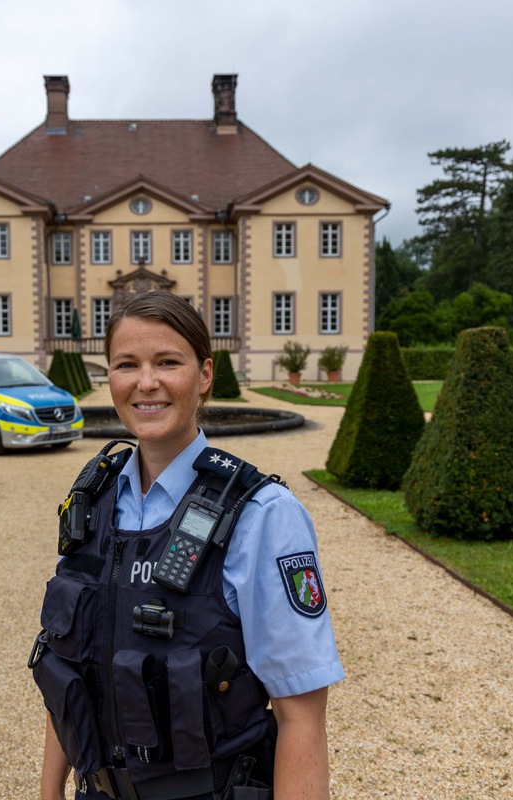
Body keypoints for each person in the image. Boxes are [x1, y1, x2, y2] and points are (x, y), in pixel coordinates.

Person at [33, 291, 343, 800]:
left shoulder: (261, 515)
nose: (146, 382)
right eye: (126, 364)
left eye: (167, 362)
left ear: (203, 376)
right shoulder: (92, 501)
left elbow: (301, 714)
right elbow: (68, 674)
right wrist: (48, 793)